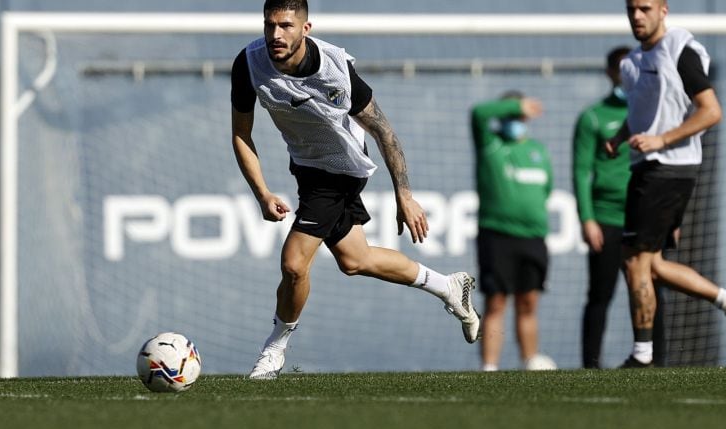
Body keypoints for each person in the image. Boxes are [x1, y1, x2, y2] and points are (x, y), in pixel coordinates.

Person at [231, 0, 480, 380]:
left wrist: (405, 194)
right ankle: (448, 287)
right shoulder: (248, 64)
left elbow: (383, 130)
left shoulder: (336, 70)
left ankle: (274, 349)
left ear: (306, 28)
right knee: (355, 259)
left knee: (294, 263)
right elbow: (241, 134)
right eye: (269, 25)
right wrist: (262, 192)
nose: (275, 35)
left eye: (285, 25)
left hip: (342, 168)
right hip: (306, 166)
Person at [606, 0, 726, 368]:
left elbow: (711, 111)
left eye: (645, 8)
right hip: (647, 168)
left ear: (663, 9)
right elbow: (641, 114)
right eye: (631, 9)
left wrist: (662, 139)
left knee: (635, 261)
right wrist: (620, 136)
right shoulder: (630, 64)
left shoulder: (680, 50)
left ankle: (642, 356)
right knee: (652, 264)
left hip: (670, 168)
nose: (637, 16)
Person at [574, 46, 668, 369]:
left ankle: (656, 361)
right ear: (612, 74)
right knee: (600, 296)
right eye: (624, 70)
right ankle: (591, 365)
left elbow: (665, 164)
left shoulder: (652, 112)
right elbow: (581, 171)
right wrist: (587, 218)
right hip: (606, 218)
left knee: (650, 287)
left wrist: (670, 216)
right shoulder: (593, 117)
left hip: (644, 214)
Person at [470, 92, 553, 371]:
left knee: (528, 301)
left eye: (520, 117)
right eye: (511, 116)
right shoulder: (491, 144)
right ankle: (489, 365)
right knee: (496, 301)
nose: (516, 121)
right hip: (497, 235)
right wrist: (516, 104)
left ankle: (530, 360)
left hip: (533, 236)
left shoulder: (538, 150)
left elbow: (547, 189)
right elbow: (479, 113)